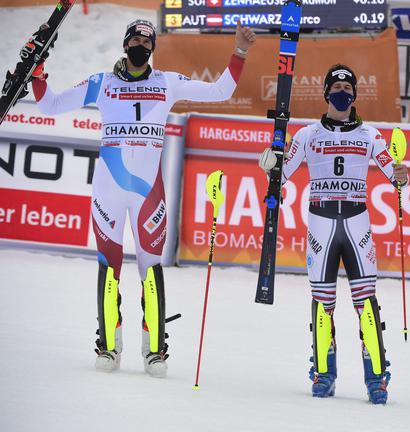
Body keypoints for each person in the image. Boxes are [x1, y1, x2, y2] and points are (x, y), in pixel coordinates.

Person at [30, 19, 256, 377]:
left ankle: (154, 350)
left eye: (146, 41)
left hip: (149, 193)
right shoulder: (102, 83)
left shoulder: (166, 81)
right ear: (125, 44)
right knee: (109, 268)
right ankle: (108, 345)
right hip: (109, 189)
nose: (140, 45)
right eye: (135, 38)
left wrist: (240, 52)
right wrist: (37, 74)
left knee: (150, 271)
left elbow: (220, 92)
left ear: (153, 49)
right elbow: (50, 106)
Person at [258, 64, 408, 404]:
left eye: (347, 86)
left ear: (355, 94)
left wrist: (401, 174)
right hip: (321, 226)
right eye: (336, 86)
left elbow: (394, 175)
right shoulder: (307, 134)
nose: (342, 91)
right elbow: (281, 175)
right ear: (326, 92)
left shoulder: (370, 135)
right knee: (322, 304)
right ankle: (323, 373)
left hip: (357, 225)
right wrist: (270, 170)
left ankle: (376, 379)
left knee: (365, 303)